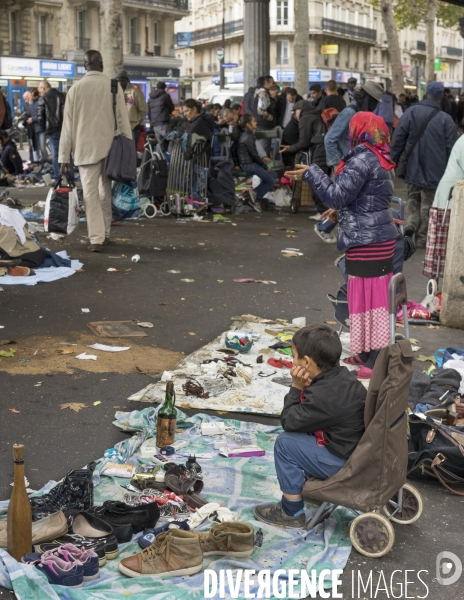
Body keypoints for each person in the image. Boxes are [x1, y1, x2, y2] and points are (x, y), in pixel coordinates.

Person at [287, 112, 398, 379]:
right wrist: (341, 214)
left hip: (369, 241)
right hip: (373, 238)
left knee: (372, 302)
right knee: (362, 298)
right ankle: (366, 351)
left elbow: (336, 196)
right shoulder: (378, 157)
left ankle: (378, 356)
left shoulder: (362, 159)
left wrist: (312, 173)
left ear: (360, 131)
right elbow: (366, 199)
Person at [254, 325, 366, 528]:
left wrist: (296, 387)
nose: (292, 361)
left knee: (285, 444)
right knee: (301, 433)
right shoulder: (343, 377)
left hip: (342, 463)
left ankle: (291, 511)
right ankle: (305, 489)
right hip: (355, 451)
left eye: (294, 356)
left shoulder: (324, 397)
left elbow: (289, 422)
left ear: (306, 362)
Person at [59, 50, 132, 252]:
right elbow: (122, 120)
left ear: (84, 66)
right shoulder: (112, 85)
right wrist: (129, 150)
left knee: (90, 195)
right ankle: (105, 233)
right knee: (104, 192)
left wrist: (64, 156)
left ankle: (96, 238)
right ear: (101, 64)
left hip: (84, 149)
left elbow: (67, 127)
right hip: (110, 149)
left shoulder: (75, 89)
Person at [390, 81, 457, 247]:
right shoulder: (445, 119)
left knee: (412, 196)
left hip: (413, 164)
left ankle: (410, 224)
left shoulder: (411, 112)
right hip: (436, 168)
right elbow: (452, 149)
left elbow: (398, 139)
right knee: (429, 202)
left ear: (426, 93)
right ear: (441, 97)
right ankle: (421, 237)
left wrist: (392, 161)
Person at [324, 80, 384, 171]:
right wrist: (336, 164)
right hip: (346, 167)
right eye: (374, 101)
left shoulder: (359, 112)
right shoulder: (349, 112)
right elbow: (329, 139)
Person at [235, 113, 277, 211]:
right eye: (253, 121)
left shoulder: (248, 135)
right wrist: (264, 166)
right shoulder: (248, 136)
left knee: (273, 175)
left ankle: (253, 194)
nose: (256, 123)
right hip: (249, 164)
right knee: (271, 181)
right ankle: (255, 200)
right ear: (248, 125)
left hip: (250, 163)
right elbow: (254, 155)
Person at [38, 80, 67, 182]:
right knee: (66, 153)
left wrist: (43, 129)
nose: (39, 92)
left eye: (40, 89)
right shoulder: (62, 95)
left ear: (44, 88)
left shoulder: (43, 98)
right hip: (65, 129)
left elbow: (40, 116)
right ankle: (70, 177)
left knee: (55, 154)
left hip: (52, 129)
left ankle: (58, 177)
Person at [115, 70, 148, 149]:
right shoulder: (115, 93)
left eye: (122, 80)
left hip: (132, 128)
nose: (120, 83)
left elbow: (143, 110)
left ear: (127, 81)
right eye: (118, 81)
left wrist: (137, 120)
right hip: (119, 128)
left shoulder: (135, 92)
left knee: (131, 151)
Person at [252, 75, 275, 157]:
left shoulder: (257, 92)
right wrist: (271, 118)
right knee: (264, 151)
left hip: (259, 123)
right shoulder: (263, 93)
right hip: (264, 125)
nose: (273, 84)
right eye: (272, 82)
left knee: (260, 148)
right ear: (267, 83)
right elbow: (261, 110)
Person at [148, 82, 174, 150]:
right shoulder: (165, 96)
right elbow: (171, 107)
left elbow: (149, 111)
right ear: (164, 88)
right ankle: (171, 158)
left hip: (155, 124)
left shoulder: (150, 98)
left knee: (160, 143)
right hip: (163, 122)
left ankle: (160, 158)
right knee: (172, 139)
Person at [25, 88, 47, 162]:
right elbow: (28, 114)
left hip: (40, 128)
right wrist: (26, 119)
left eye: (29, 94)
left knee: (42, 147)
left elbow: (43, 115)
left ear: (33, 94)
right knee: (36, 148)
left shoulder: (40, 102)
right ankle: (37, 164)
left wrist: (32, 119)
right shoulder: (30, 104)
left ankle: (45, 163)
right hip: (33, 129)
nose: (28, 96)